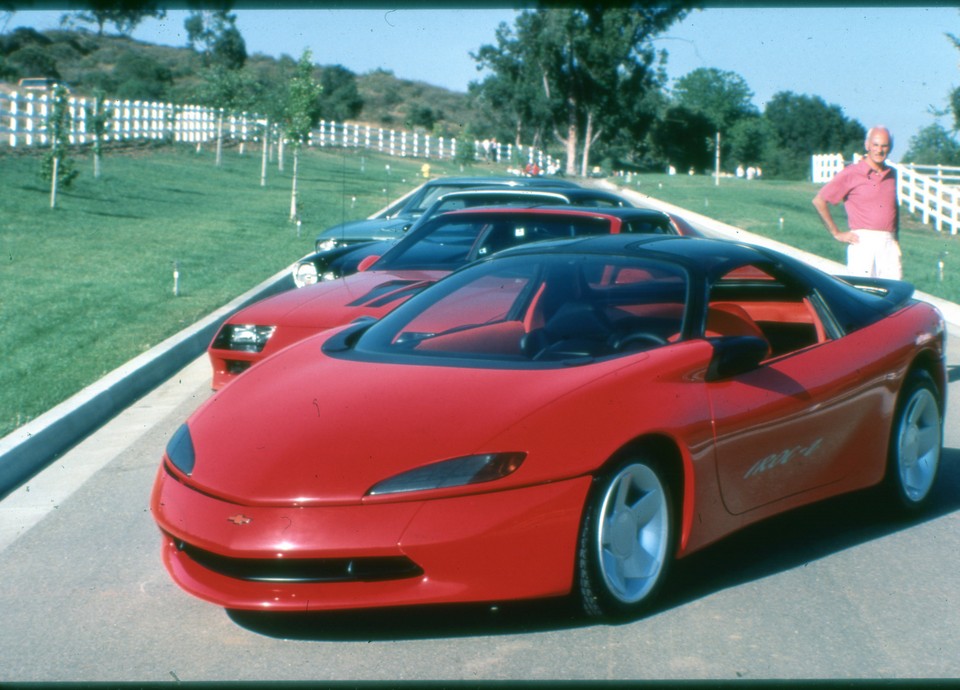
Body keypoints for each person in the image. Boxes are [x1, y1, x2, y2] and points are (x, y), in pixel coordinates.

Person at [812, 126, 900, 279]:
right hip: (863, 243)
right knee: (863, 294)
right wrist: (837, 233)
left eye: (884, 146)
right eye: (875, 144)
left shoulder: (892, 174)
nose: (879, 150)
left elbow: (893, 207)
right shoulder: (852, 172)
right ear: (867, 145)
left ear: (890, 148)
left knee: (893, 296)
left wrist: (896, 239)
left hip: (889, 243)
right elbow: (819, 201)